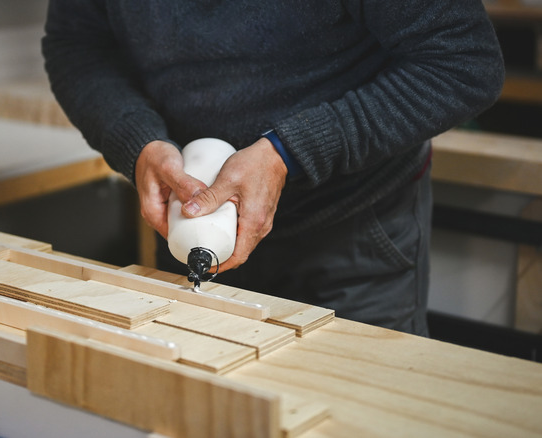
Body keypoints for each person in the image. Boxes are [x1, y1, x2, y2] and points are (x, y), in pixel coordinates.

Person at [41, 1, 504, 336]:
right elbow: (76, 46)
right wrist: (135, 139)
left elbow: (463, 63)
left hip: (351, 231)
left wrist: (290, 152)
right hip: (197, 223)